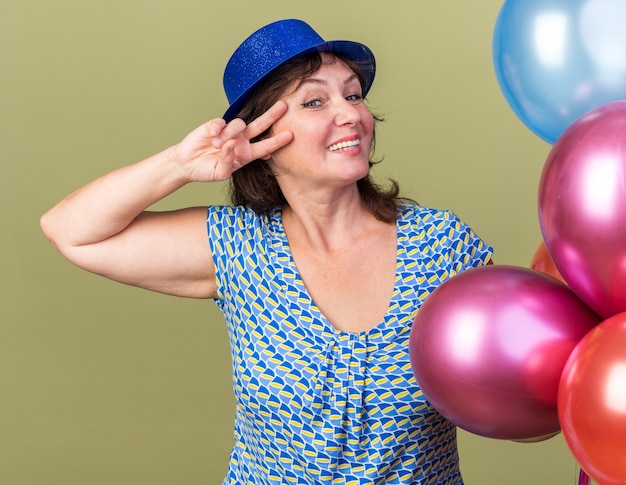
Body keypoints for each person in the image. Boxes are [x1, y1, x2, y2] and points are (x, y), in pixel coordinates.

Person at [41, 18, 493, 485]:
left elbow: (526, 380)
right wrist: (179, 164)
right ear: (261, 138)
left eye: (353, 94)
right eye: (315, 101)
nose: (351, 115)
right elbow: (71, 230)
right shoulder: (236, 247)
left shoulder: (441, 246)